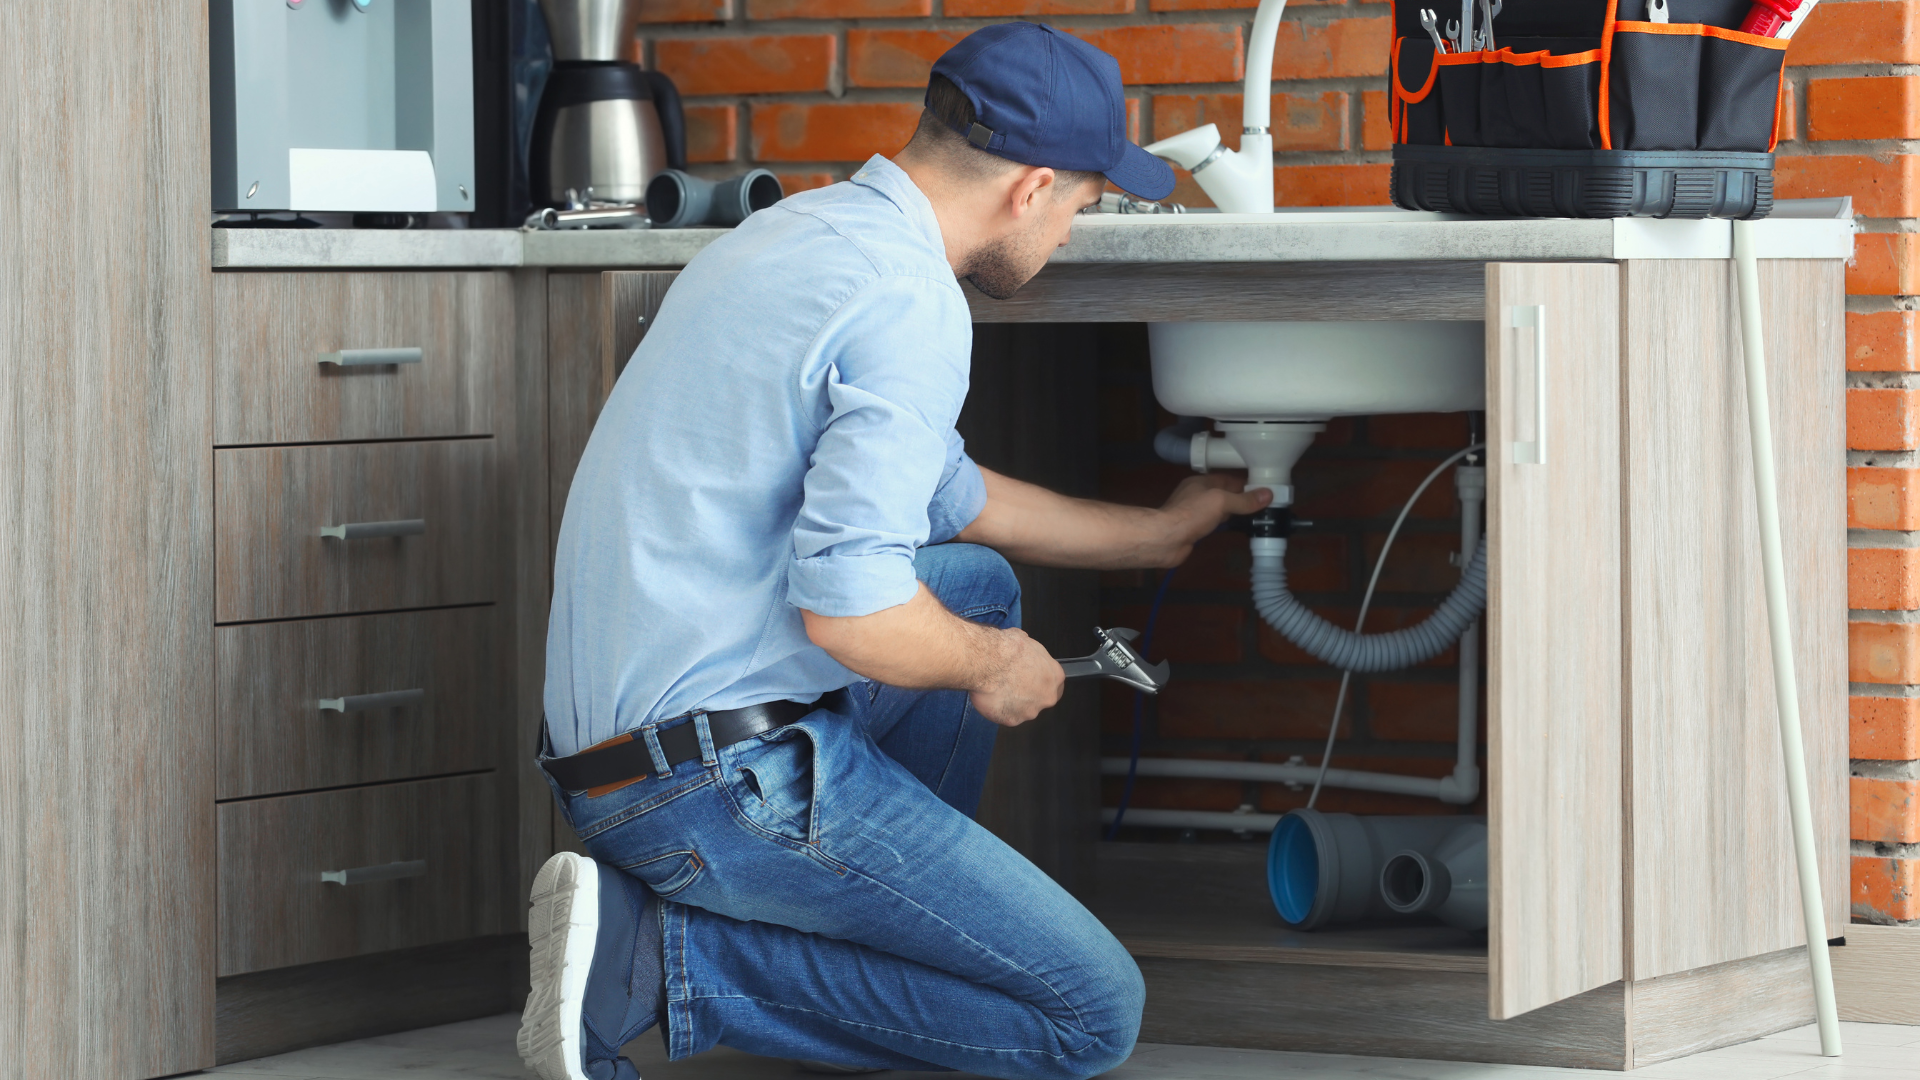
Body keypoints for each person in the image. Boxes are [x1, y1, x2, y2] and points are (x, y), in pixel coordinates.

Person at [518, 22, 1270, 1080]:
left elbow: (955, 502)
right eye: (1080, 208)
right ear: (1032, 187)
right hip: (710, 787)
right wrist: (993, 664)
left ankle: (857, 927)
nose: (1068, 237)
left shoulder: (806, 236)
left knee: (977, 586)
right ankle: (661, 958)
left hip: (612, 758)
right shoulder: (913, 304)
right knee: (1091, 1017)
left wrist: (1157, 533)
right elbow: (854, 613)